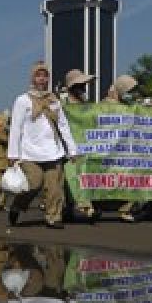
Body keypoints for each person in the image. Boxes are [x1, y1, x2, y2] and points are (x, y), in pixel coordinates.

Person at [7, 61, 78, 230]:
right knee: (34, 183)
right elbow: (16, 128)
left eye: (45, 76)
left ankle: (53, 216)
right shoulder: (23, 100)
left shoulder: (54, 100)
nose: (42, 79)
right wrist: (13, 154)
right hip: (30, 152)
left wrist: (72, 149)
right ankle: (18, 205)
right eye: (38, 75)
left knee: (55, 187)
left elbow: (63, 126)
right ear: (33, 78)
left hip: (53, 151)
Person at [106, 75, 143, 223]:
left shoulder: (134, 107)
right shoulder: (106, 106)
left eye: (133, 91)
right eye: (129, 90)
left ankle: (126, 209)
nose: (132, 94)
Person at [62, 69, 95, 222]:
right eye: (80, 85)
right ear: (71, 87)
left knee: (84, 176)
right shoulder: (62, 105)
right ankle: (73, 207)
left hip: (86, 146)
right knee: (70, 177)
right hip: (68, 147)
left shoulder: (88, 105)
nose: (83, 88)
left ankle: (83, 205)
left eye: (84, 85)